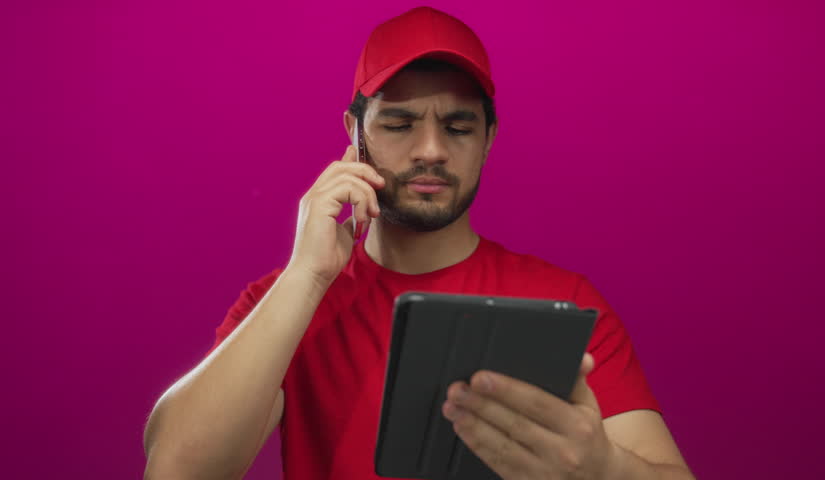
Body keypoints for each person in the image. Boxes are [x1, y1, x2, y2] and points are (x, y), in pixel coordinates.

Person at [143, 6, 695, 480]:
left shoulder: (564, 300)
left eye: (458, 128)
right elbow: (174, 468)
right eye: (400, 124)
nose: (430, 149)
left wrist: (604, 468)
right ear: (354, 135)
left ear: (489, 140)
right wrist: (306, 277)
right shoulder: (288, 302)